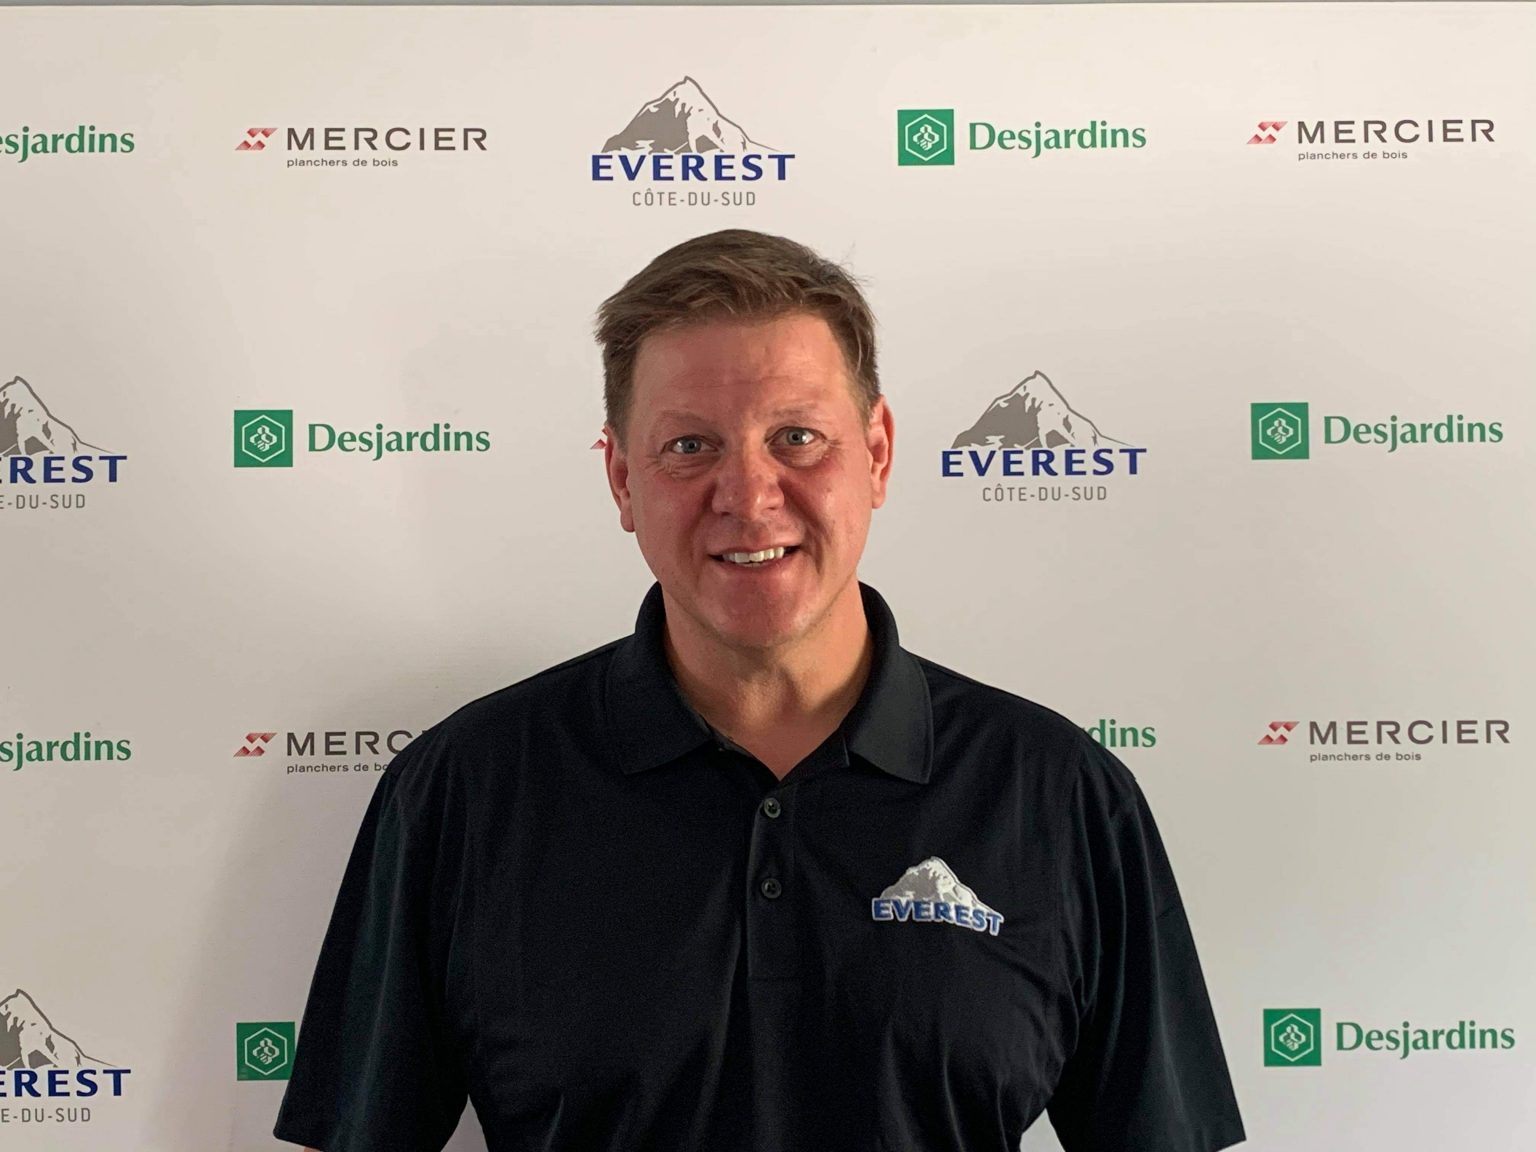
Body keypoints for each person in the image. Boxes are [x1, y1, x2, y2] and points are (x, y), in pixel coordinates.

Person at [274, 229, 1246, 1152]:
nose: (748, 495)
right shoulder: (462, 792)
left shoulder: (1060, 795)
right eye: (689, 447)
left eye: (797, 437)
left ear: (878, 453)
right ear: (622, 479)